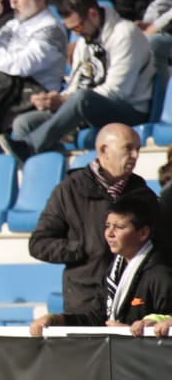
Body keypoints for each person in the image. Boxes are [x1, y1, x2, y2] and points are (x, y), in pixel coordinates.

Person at [29, 123, 157, 319]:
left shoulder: (143, 194)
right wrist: (86, 248)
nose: (135, 156)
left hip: (132, 302)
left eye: (137, 149)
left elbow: (158, 246)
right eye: (128, 148)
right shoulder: (69, 190)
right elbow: (39, 244)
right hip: (85, 303)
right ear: (104, 150)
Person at [5, 0, 156, 156]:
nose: (77, 34)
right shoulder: (85, 40)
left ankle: (30, 147)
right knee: (24, 123)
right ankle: (44, 170)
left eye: (78, 27)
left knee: (82, 98)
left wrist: (67, 100)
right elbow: (77, 84)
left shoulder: (125, 34)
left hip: (129, 110)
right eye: (72, 30)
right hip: (88, 109)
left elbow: (118, 91)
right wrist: (56, 100)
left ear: (93, 14)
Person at [31, 192, 172, 335]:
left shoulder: (161, 272)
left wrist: (133, 331)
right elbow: (97, 319)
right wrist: (56, 320)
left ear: (143, 233)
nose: (110, 233)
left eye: (119, 227)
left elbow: (165, 325)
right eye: (108, 226)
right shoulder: (114, 270)